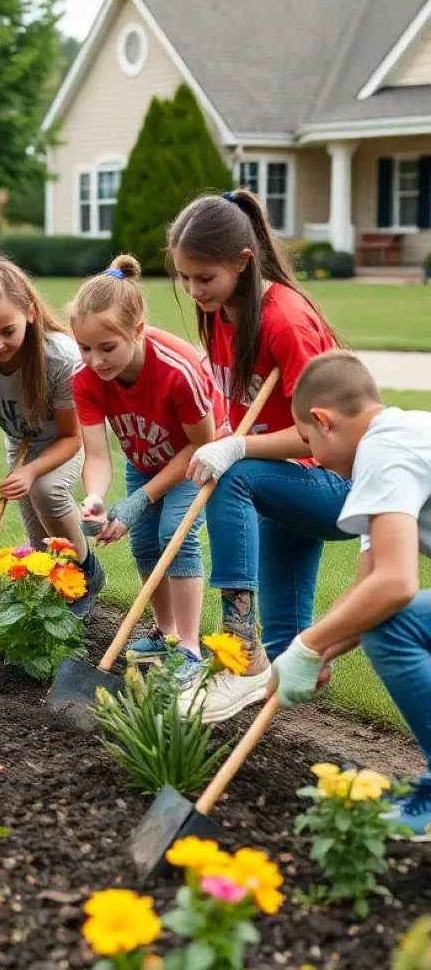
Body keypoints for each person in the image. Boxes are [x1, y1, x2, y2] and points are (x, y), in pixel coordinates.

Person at [168, 188, 347, 723]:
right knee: (290, 653)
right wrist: (231, 437)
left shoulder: (284, 322)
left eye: (206, 278)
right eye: (185, 277)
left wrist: (237, 446)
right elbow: (236, 405)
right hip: (288, 479)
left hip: (340, 484)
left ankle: (238, 652)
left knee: (234, 476)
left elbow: (324, 436)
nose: (194, 290)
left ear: (244, 263)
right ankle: (266, 688)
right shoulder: (222, 313)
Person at [271, 350, 431, 838]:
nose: (313, 458)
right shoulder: (401, 433)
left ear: (322, 420)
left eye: (307, 442)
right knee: (383, 617)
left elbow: (396, 586)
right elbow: (369, 583)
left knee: (393, 624)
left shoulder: (383, 454)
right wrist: (314, 655)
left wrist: (308, 646)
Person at [70, 254, 223, 664]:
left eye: (107, 348)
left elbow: (201, 445)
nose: (95, 361)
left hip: (199, 457)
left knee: (175, 534)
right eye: (84, 348)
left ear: (137, 331)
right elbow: (98, 454)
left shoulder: (176, 370)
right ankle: (165, 631)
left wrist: (140, 500)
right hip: (147, 459)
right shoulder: (86, 379)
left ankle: (189, 647)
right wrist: (96, 497)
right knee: (142, 543)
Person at [0, 257, 104, 620]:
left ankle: (86, 572)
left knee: (46, 491)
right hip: (20, 442)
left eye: (7, 330)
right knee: (42, 551)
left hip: (66, 443)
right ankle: (61, 582)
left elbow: (71, 436)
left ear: (30, 313)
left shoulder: (59, 358)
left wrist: (32, 472)